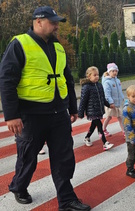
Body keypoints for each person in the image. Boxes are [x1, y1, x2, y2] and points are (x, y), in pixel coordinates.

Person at [0, 6, 91, 211]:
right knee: (28, 157)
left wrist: (72, 107)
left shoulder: (57, 46)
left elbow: (66, 77)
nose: (56, 25)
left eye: (57, 21)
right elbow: (7, 80)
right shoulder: (19, 44)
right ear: (38, 22)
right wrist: (12, 115)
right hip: (31, 115)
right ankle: (18, 186)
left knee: (64, 157)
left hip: (58, 113)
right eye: (53, 22)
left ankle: (66, 200)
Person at [78, 66, 114, 150]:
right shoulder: (86, 87)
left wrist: (108, 105)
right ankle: (105, 143)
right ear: (88, 76)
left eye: (98, 75)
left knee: (94, 125)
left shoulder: (99, 85)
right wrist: (80, 112)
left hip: (98, 110)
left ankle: (87, 137)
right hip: (92, 110)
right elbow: (83, 101)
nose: (97, 77)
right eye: (94, 75)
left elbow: (102, 98)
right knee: (99, 125)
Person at [102, 63, 124, 137]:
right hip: (111, 104)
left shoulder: (117, 80)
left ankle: (124, 131)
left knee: (120, 117)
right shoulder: (107, 82)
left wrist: (122, 98)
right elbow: (107, 94)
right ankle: (103, 129)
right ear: (109, 72)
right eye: (113, 71)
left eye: (116, 71)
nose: (115, 72)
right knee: (109, 117)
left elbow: (119, 91)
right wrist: (110, 102)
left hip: (117, 102)